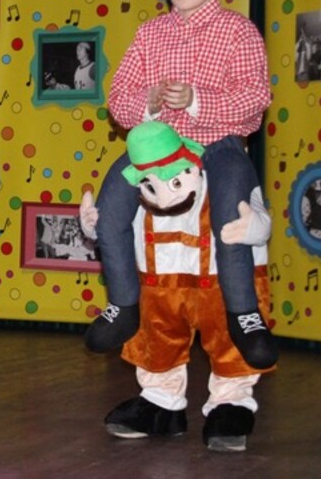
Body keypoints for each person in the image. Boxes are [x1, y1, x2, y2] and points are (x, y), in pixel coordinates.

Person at [86, 0, 277, 371]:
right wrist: (149, 102)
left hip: (218, 142)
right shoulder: (150, 33)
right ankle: (123, 303)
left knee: (232, 211)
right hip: (160, 146)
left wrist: (196, 100)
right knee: (110, 207)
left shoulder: (238, 31)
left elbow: (255, 98)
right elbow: (118, 101)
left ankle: (244, 313)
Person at [80, 122, 275, 452]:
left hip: (219, 282)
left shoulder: (225, 172)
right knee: (157, 339)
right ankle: (161, 401)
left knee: (228, 341)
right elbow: (119, 224)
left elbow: (257, 216)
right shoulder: (145, 168)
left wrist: (253, 227)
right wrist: (93, 225)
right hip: (160, 278)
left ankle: (230, 404)